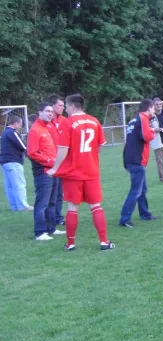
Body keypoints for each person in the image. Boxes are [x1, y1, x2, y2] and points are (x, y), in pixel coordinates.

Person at [47, 94, 114, 250]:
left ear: (72, 106)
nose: (65, 110)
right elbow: (100, 145)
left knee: (72, 208)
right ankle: (104, 242)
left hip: (73, 173)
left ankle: (70, 244)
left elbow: (63, 149)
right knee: (96, 206)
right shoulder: (94, 121)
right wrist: (89, 156)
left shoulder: (67, 123)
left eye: (66, 106)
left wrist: (55, 168)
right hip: (91, 171)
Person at [27, 103, 65, 241]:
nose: (50, 113)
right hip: (43, 172)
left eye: (51, 111)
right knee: (42, 203)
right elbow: (32, 152)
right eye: (47, 111)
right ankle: (40, 232)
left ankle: (51, 229)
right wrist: (50, 161)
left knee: (52, 202)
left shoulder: (47, 128)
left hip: (53, 171)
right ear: (40, 112)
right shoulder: (35, 130)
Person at [119, 99, 158, 228]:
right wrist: (153, 131)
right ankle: (125, 218)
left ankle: (145, 214)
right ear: (149, 108)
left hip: (131, 158)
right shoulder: (143, 119)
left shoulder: (134, 120)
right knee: (136, 190)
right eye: (153, 108)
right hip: (137, 159)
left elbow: (129, 141)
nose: (154, 111)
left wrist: (125, 161)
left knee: (142, 189)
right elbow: (146, 136)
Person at [0, 116, 32, 211]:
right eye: (20, 124)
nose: (21, 126)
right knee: (19, 184)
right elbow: (23, 146)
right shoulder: (12, 132)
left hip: (5, 162)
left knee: (10, 185)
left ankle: (14, 206)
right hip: (13, 161)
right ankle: (23, 206)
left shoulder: (5, 132)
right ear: (16, 123)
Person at [44, 94, 66, 226]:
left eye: (64, 105)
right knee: (50, 193)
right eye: (60, 105)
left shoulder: (64, 120)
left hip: (62, 161)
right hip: (50, 162)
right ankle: (49, 219)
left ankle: (57, 217)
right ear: (52, 106)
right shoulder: (45, 122)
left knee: (59, 192)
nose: (62, 107)